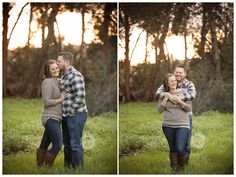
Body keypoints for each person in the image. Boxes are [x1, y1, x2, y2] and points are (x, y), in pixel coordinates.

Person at [155, 64, 196, 165]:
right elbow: (158, 94)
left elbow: (192, 95)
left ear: (184, 74)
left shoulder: (188, 86)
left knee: (184, 145)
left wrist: (178, 98)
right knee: (173, 147)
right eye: (176, 72)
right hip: (168, 124)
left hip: (185, 120)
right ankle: (175, 168)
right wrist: (166, 96)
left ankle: (184, 163)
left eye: (180, 72)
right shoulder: (165, 89)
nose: (177, 75)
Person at [56, 52, 88, 169]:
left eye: (59, 61)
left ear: (66, 62)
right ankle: (68, 167)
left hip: (76, 114)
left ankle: (78, 169)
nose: (57, 63)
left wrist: (70, 111)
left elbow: (80, 97)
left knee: (75, 144)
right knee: (67, 144)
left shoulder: (76, 75)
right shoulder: (64, 76)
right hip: (66, 115)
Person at [37, 59, 67, 167]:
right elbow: (46, 102)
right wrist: (60, 99)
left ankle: (40, 166)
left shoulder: (58, 81)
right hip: (50, 117)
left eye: (56, 68)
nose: (55, 70)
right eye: (52, 69)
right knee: (58, 144)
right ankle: (45, 166)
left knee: (45, 143)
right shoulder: (48, 82)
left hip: (56, 118)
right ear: (48, 71)